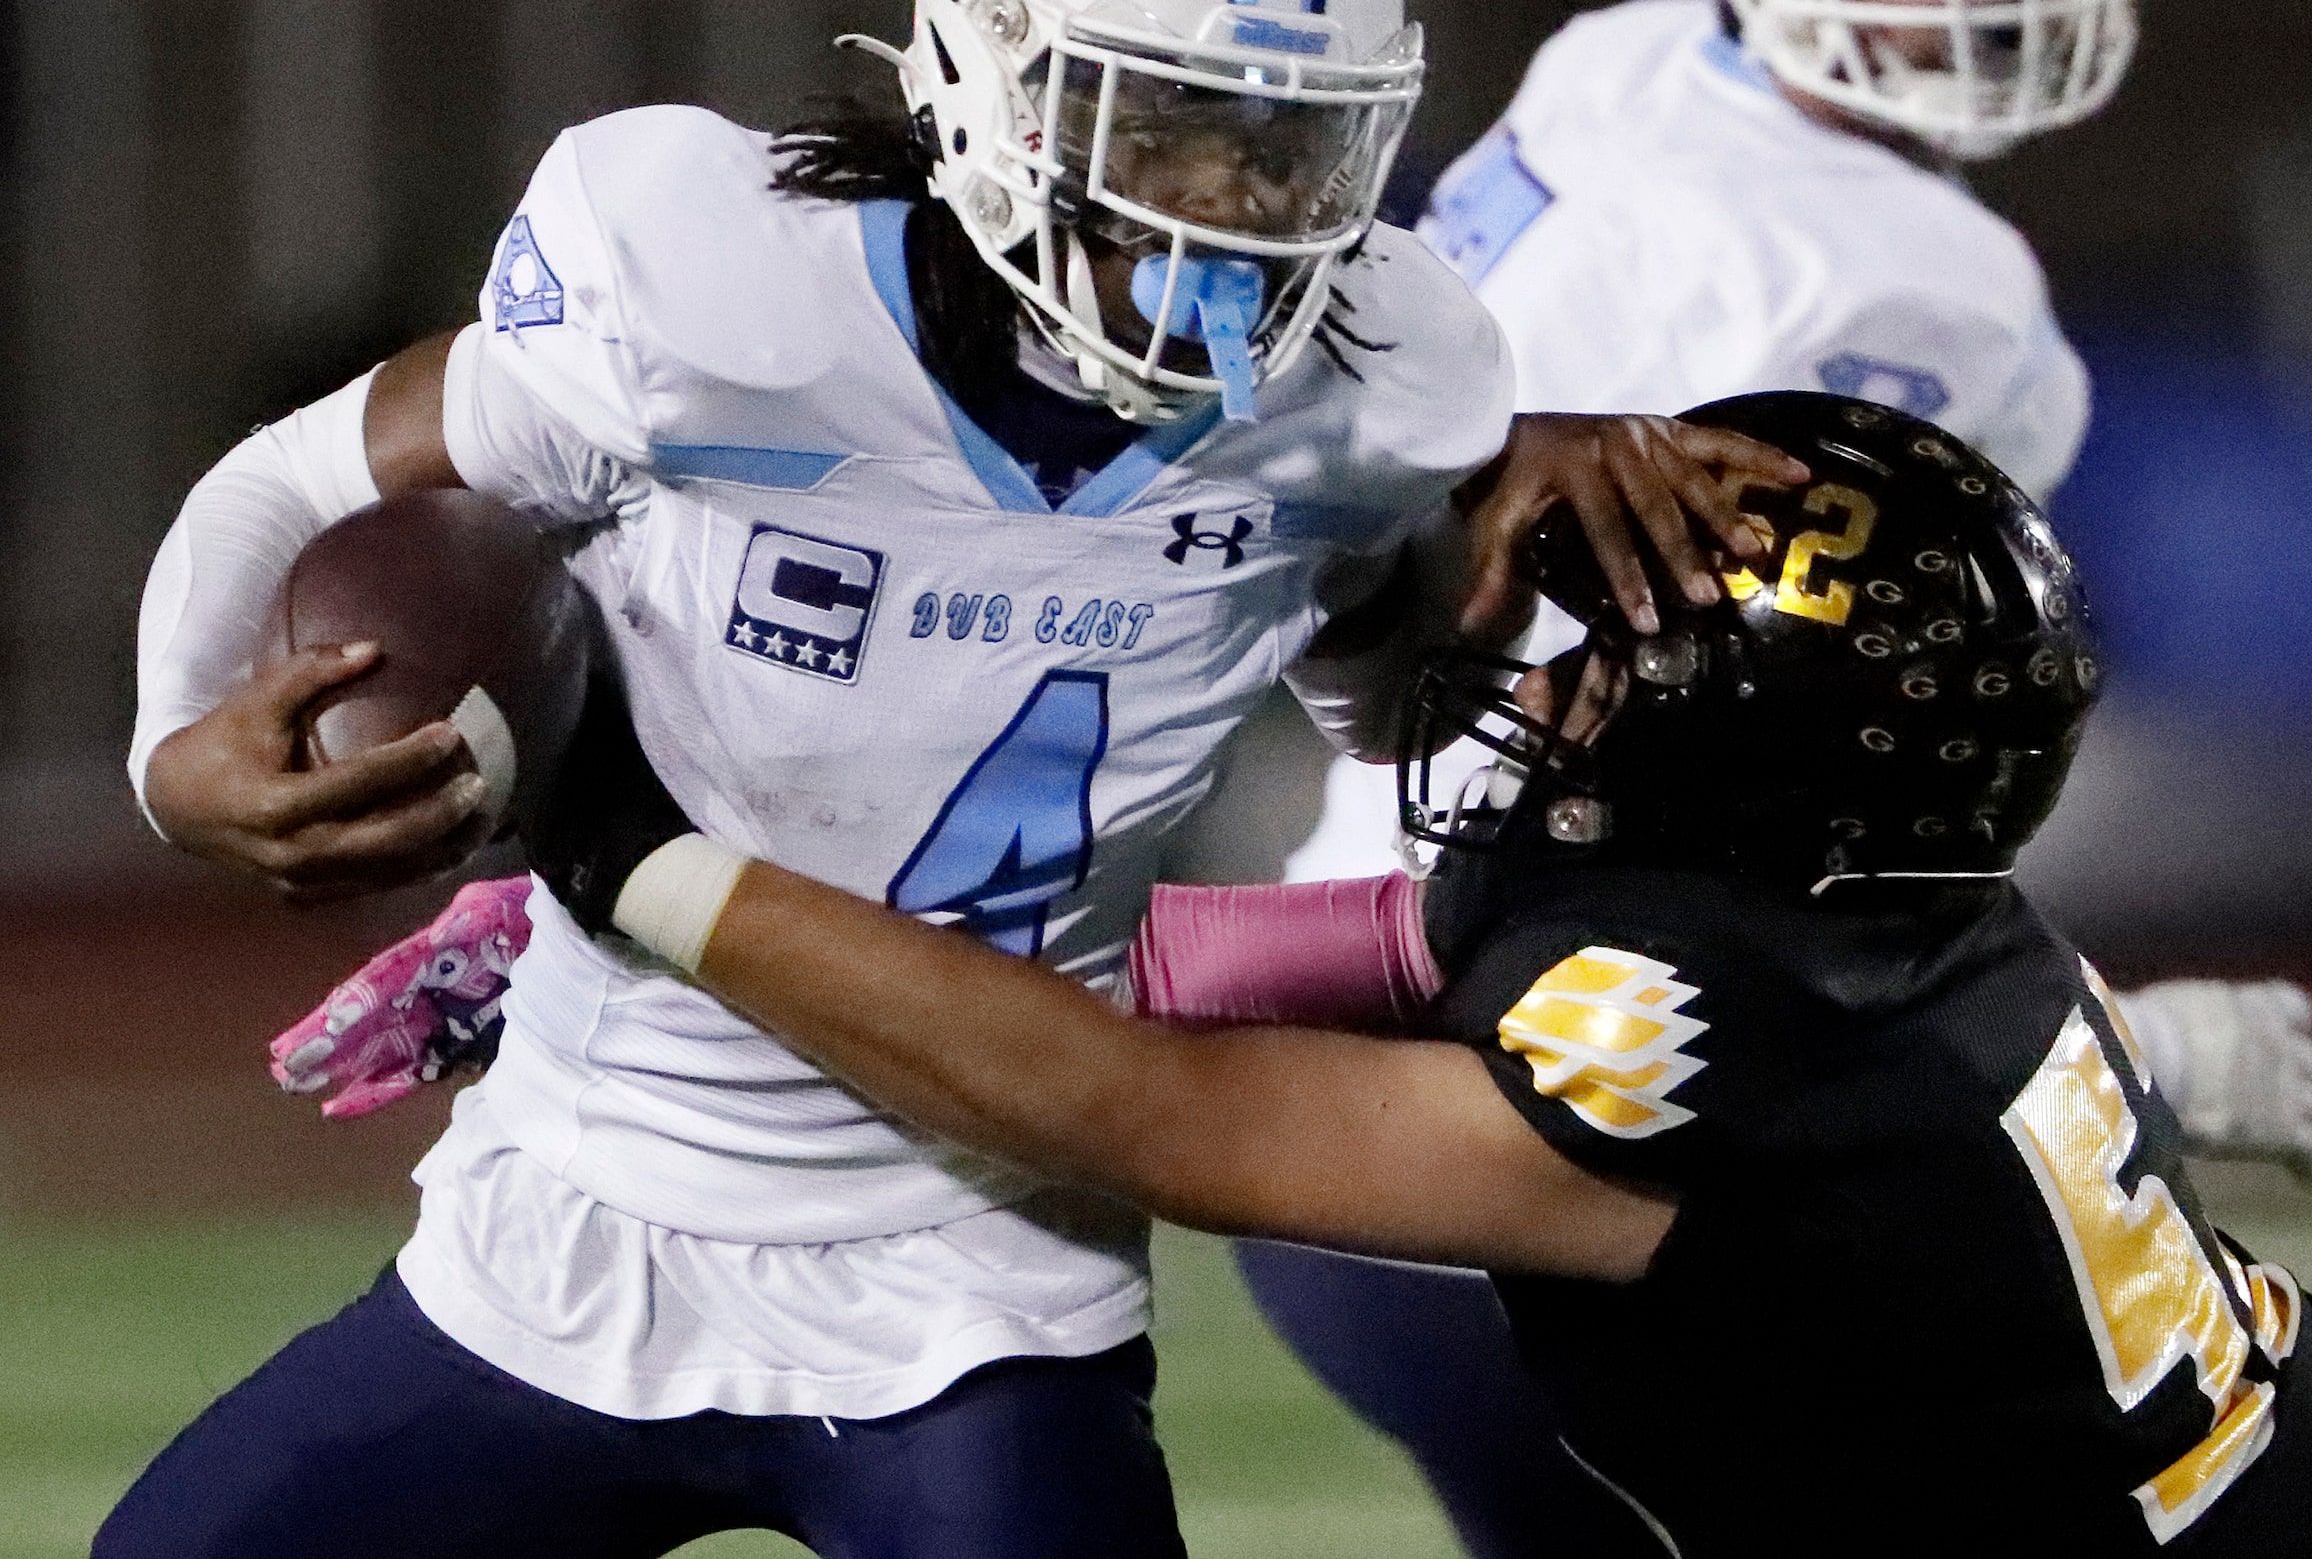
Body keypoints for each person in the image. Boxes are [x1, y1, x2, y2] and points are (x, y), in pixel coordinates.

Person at [102, 0, 1794, 1559]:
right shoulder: (704, 279)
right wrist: (174, 746)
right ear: (992, 67)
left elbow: (1383, 710)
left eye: (1290, 147)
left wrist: (1479, 586)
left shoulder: (1387, 384)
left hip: (984, 1262)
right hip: (585, 1195)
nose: (1229, 214)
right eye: (1169, 125)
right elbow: (303, 468)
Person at [505, 393, 2311, 1557]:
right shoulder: (1868, 902)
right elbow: (1217, 963)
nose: (1535, 686)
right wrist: (673, 949)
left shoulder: (1704, 1022)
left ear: (1744, 752)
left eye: (1608, 664)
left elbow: (1133, 1107)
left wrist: (636, 858)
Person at [1188, 0, 2312, 1550]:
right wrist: (2150, 1054)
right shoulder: (1921, 294)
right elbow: (1810, 873)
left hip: (1364, 1000)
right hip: (1559, 1084)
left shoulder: (1630, 64)